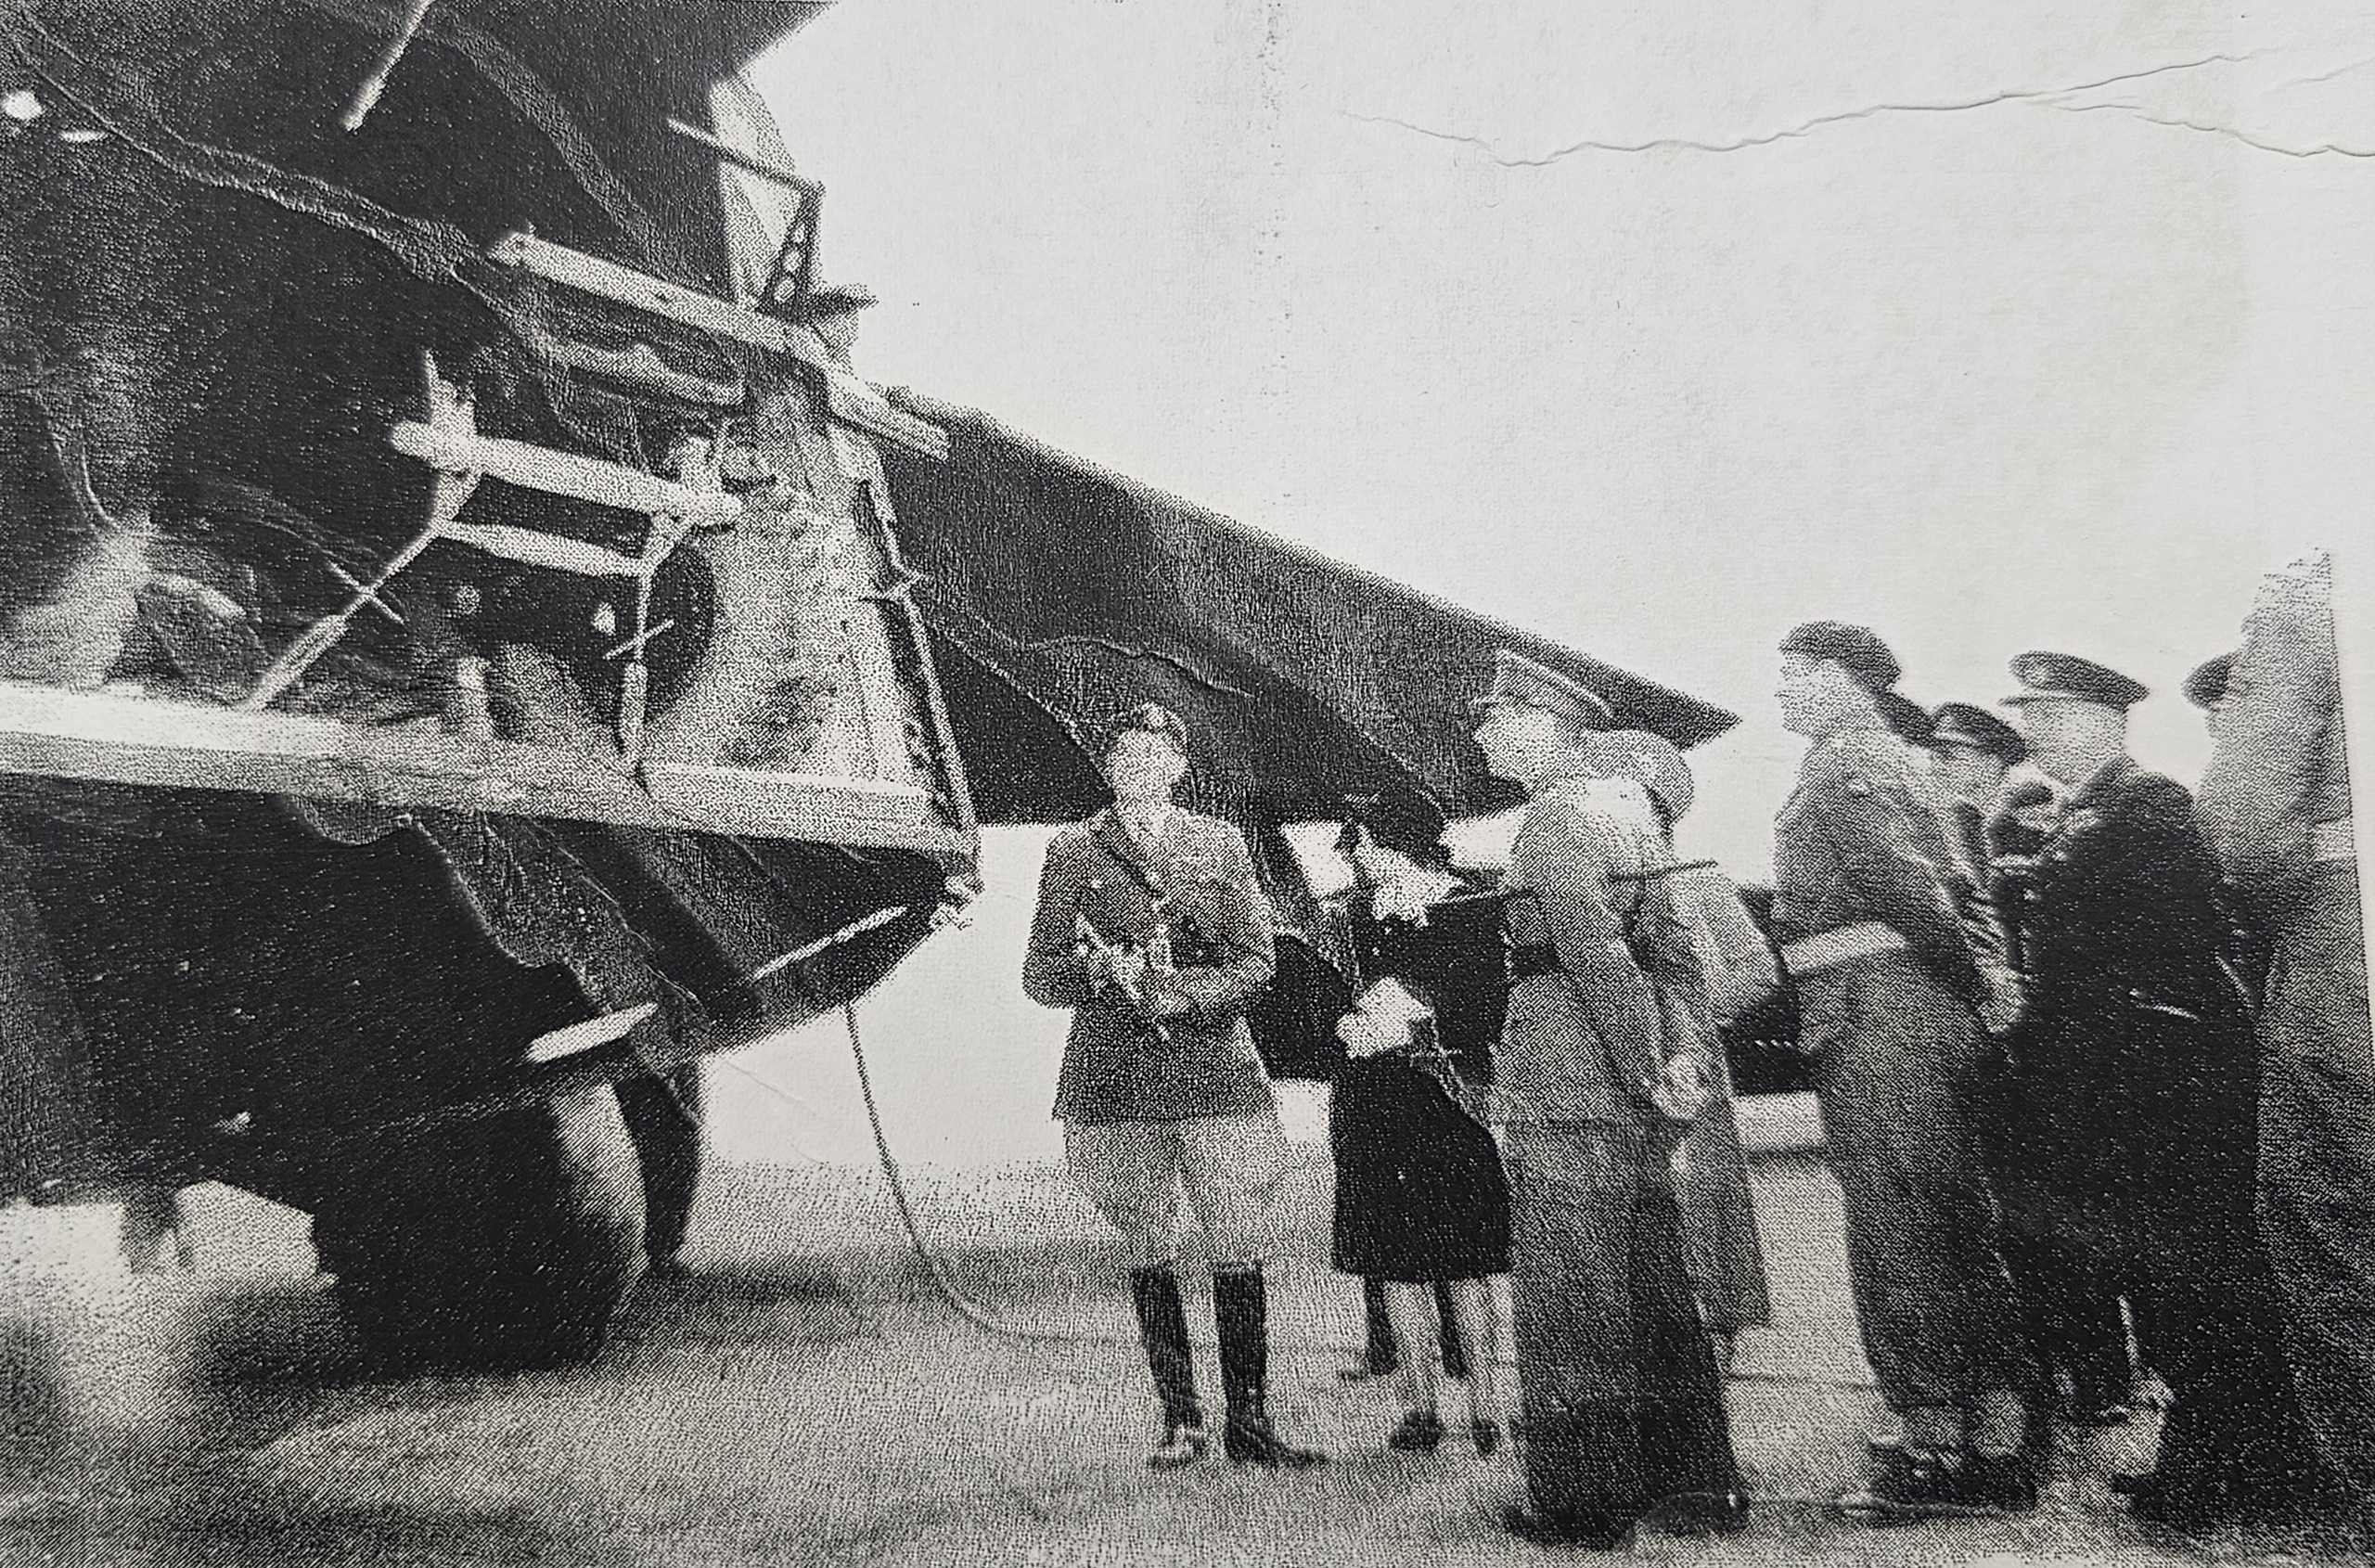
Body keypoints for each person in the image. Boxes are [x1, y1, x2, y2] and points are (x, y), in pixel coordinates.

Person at [2002, 650, 2332, 1527]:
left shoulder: (2146, 804)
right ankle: (2214, 1458)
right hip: (2119, 1070)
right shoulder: (2086, 813)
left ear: (2109, 723)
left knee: (2197, 1273)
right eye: (2030, 716)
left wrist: (2101, 1042)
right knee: (2170, 1275)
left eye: (2055, 715)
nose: (2038, 731)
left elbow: (2171, 944)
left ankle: (2239, 1471)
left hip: (2155, 1074)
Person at [1470, 649, 1745, 1549]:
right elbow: (1669, 952)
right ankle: (1696, 1482)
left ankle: (1584, 1501)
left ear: (1542, 726)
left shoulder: (1551, 817)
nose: (1481, 731)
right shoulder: (1627, 807)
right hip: (1629, 1087)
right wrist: (1674, 1063)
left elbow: (1594, 956)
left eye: (1495, 716)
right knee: (1656, 1288)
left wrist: (1639, 1065)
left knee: (1570, 1291)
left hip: (1571, 1082)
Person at [1769, 622, 2035, 1516]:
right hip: (1909, 1010)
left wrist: (1973, 983)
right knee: (1948, 1217)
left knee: (1902, 1228)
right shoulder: (1896, 762)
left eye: (1796, 674)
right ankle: (1991, 1431)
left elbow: (1910, 889)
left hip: (1882, 1012)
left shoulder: (1852, 764)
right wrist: (1983, 988)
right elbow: (1963, 887)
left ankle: (1941, 1447)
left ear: (1846, 680)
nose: (1781, 691)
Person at [1021, 703, 1323, 1471]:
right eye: (1125, 754)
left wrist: (1180, 994)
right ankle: (1181, 1419)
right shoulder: (1072, 850)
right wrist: (1102, 971)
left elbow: (1259, 962)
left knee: (1236, 1241)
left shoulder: (1219, 844)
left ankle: (1250, 1424)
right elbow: (1040, 975)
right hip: (1115, 1084)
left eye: (1155, 754)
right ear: (1109, 766)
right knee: (1149, 1245)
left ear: (1180, 768)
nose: (1139, 766)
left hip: (1215, 1078)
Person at [2195, 554, 2375, 1540]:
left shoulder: (2313, 599)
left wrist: (2272, 926)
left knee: (2334, 1225)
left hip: (2345, 948)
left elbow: (2244, 831)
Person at [1931, 700, 2138, 1430]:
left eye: (1954, 758)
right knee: (2024, 1211)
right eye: (1938, 757)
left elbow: (2013, 925)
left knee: (2063, 1205)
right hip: (2011, 1034)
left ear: (1993, 760)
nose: (1941, 769)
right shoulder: (1956, 825)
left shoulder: (2024, 814)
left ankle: (2098, 1373)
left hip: (2045, 1033)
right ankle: (2063, 1365)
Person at [1328, 785, 1512, 1457]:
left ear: (1398, 840)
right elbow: (1322, 999)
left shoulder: (1465, 903)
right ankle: (1421, 1408)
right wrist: (1347, 1026)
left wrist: (1417, 1012)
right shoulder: (1353, 916)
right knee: (1395, 1262)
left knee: (1466, 1259)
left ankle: (1487, 1406)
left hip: (1446, 1097)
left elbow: (1489, 1000)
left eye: (1366, 840)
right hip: (1371, 1100)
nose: (1358, 855)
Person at [1599, 728, 1775, 1369]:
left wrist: (1691, 1020)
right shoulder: (1595, 881)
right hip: (1613, 1064)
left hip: (1686, 1068)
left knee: (1700, 1201)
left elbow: (1757, 969)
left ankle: (1714, 1330)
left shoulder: (1698, 884)